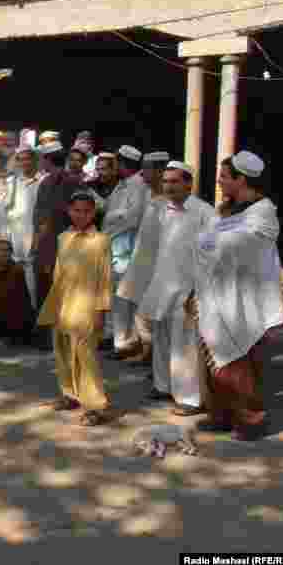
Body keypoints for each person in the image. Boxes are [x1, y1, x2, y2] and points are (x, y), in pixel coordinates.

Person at [194, 152, 283, 441]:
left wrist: (210, 241)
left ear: (241, 179)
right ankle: (222, 415)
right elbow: (206, 242)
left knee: (240, 363)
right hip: (218, 294)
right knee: (216, 356)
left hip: (246, 302)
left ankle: (252, 421)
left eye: (223, 177)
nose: (219, 182)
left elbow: (227, 245)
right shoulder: (228, 211)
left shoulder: (263, 214)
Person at [132, 161, 215, 416]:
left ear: (189, 184)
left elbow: (211, 255)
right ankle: (163, 385)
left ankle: (190, 399)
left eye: (174, 181)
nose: (168, 186)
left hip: (188, 288)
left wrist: (198, 291)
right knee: (162, 338)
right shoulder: (162, 209)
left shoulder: (204, 213)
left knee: (185, 345)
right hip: (162, 283)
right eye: (166, 181)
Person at [38, 191, 113, 427]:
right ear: (69, 211)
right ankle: (69, 394)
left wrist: (101, 311)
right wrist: (53, 304)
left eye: (87, 211)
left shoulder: (101, 240)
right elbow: (58, 273)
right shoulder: (63, 237)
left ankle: (95, 406)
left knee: (85, 356)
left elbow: (105, 278)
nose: (81, 215)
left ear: (94, 213)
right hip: (63, 303)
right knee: (62, 351)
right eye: (77, 210)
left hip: (87, 306)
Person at [116, 150, 171, 366]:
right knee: (140, 310)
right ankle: (147, 352)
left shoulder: (169, 201)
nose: (142, 173)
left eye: (146, 169)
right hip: (141, 260)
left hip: (158, 266)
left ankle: (157, 358)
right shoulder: (148, 195)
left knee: (153, 314)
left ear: (159, 172)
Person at [103, 145, 151, 359]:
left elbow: (133, 217)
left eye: (116, 164)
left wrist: (113, 220)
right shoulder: (121, 185)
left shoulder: (139, 186)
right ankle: (116, 337)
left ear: (123, 164)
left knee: (124, 296)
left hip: (126, 243)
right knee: (115, 295)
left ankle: (124, 343)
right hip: (114, 243)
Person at [32, 142, 80, 312]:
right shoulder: (45, 182)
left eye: (42, 159)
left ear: (48, 160)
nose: (40, 163)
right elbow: (38, 216)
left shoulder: (72, 182)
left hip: (65, 245)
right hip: (45, 246)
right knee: (44, 292)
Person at [5, 144, 43, 307]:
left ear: (35, 160)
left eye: (28, 158)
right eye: (21, 159)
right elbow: (6, 206)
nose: (25, 162)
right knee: (14, 269)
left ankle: (33, 310)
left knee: (32, 273)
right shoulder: (12, 181)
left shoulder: (43, 180)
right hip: (15, 232)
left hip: (34, 232)